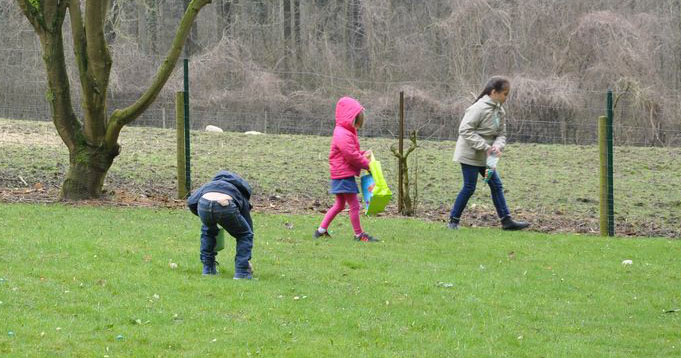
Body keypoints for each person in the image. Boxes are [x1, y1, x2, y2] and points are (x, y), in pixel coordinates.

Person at [449, 76, 529, 231]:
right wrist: (485, 146)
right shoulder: (478, 108)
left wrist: (497, 147)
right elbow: (464, 130)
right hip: (470, 155)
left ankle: (506, 221)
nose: (506, 97)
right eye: (505, 93)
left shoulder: (500, 110)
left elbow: (501, 134)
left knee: (496, 185)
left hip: (488, 157)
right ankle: (453, 221)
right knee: (469, 187)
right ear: (494, 92)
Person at [314, 97, 379, 242]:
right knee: (354, 205)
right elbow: (350, 155)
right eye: (357, 120)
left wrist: (363, 154)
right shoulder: (342, 133)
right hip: (343, 175)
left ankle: (320, 230)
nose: (358, 125)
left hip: (340, 174)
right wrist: (367, 165)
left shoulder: (345, 132)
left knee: (339, 204)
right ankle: (359, 235)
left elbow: (352, 152)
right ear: (350, 117)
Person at [187, 170, 255, 279]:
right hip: (226, 205)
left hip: (204, 203)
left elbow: (191, 202)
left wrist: (205, 216)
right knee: (244, 235)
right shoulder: (239, 191)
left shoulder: (209, 185)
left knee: (208, 230)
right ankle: (242, 272)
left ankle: (208, 269)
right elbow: (247, 226)